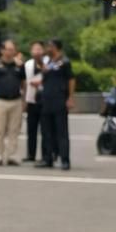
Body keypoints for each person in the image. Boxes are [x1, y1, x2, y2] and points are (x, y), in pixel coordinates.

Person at [36, 38, 74, 171]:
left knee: (61, 132)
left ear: (56, 47)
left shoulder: (64, 62)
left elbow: (71, 79)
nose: (48, 49)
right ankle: (48, 158)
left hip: (59, 99)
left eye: (50, 46)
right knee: (46, 131)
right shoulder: (48, 62)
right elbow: (43, 73)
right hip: (46, 99)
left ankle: (65, 159)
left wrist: (70, 97)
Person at [0, 39, 25, 167]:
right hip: (0, 100)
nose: (10, 52)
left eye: (12, 49)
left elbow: (23, 82)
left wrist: (24, 99)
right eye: (8, 49)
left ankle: (12, 155)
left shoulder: (19, 65)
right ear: (2, 50)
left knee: (14, 130)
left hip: (16, 100)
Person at [22, 40, 44, 161]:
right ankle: (31, 154)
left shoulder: (47, 63)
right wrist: (24, 100)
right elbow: (24, 82)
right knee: (31, 129)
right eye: (35, 49)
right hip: (31, 99)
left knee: (46, 130)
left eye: (39, 49)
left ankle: (46, 155)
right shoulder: (28, 65)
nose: (37, 52)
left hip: (45, 100)